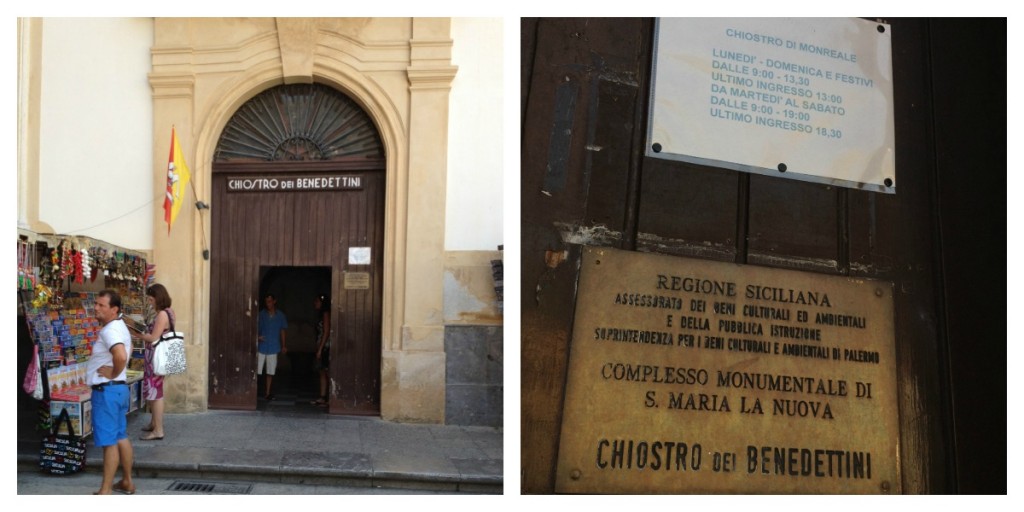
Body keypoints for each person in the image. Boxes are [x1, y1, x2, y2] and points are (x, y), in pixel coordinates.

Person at [88, 289, 135, 495]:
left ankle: (105, 490)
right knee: (119, 436)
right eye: (96, 304)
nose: (96, 308)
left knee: (109, 443)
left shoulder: (110, 331)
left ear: (114, 309)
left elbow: (121, 356)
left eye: (101, 305)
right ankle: (127, 481)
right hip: (117, 390)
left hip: (107, 390)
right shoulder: (118, 326)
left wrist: (113, 373)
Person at [133, 284, 175, 441]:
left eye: (151, 299)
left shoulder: (162, 315)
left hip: (156, 358)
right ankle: (153, 423)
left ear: (158, 298)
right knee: (155, 391)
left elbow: (153, 338)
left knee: (155, 393)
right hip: (160, 357)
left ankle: (158, 430)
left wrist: (136, 333)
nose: (150, 303)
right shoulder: (169, 311)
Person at [257, 293, 288, 400]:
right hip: (261, 346)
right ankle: (254, 392)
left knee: (270, 371)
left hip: (274, 346)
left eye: (270, 301)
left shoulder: (280, 315)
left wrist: (284, 345)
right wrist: (257, 337)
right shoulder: (261, 314)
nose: (268, 304)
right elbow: (254, 327)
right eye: (266, 302)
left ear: (274, 301)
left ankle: (267, 393)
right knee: (257, 370)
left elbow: (283, 331)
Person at [309, 294, 331, 407]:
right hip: (321, 347)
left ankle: (330, 399)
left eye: (317, 301)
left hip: (326, 347)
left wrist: (321, 349)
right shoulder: (321, 314)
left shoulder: (326, 314)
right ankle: (322, 397)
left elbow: (326, 332)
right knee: (322, 372)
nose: (315, 303)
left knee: (327, 372)